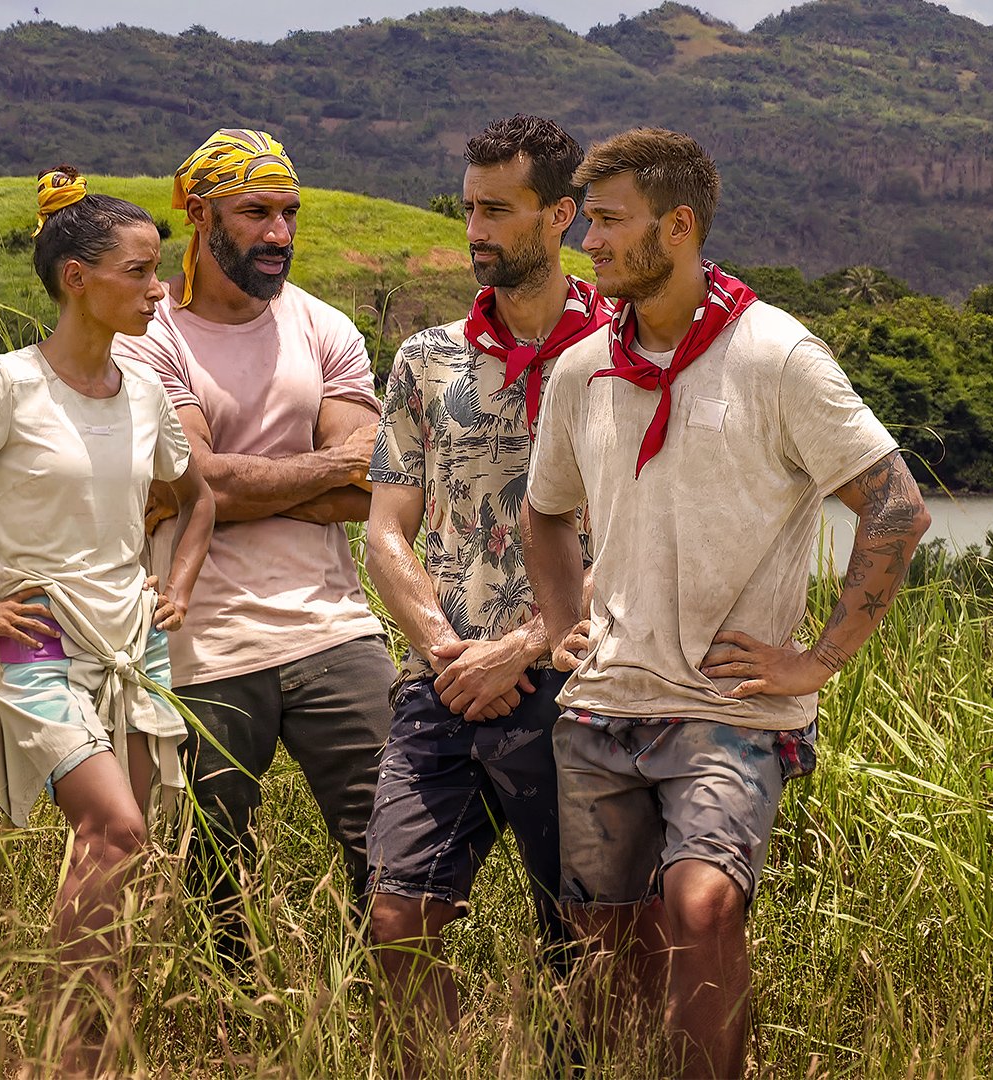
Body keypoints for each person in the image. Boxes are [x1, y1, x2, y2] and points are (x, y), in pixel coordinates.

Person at [521, 128, 931, 1078]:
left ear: (679, 225)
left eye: (611, 222)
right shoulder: (585, 368)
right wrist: (556, 626)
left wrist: (816, 662)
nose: (589, 241)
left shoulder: (778, 356)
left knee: (702, 909)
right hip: (603, 706)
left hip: (728, 708)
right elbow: (546, 516)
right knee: (604, 951)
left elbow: (898, 510)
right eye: (587, 220)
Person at [0, 166, 215, 1075]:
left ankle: (96, 1049)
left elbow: (196, 495)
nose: (159, 289)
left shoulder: (143, 389)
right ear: (77, 277)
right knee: (119, 830)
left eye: (158, 269)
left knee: (121, 853)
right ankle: (67, 1058)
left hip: (132, 639)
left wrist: (175, 580)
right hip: (39, 636)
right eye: (140, 271)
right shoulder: (8, 385)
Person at [362, 114, 607, 1075]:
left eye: (498, 211)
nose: (477, 230)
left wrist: (531, 645)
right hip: (447, 683)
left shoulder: (621, 356)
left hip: (582, 685)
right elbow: (386, 528)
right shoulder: (427, 358)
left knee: (583, 937)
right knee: (397, 915)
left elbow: (645, 536)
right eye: (469, 208)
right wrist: (446, 650)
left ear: (560, 217)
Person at [113, 130, 395, 953]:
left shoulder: (325, 327)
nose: (279, 233)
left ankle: (370, 1018)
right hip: (197, 635)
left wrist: (229, 488)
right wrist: (313, 469)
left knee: (391, 846)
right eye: (256, 213)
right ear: (200, 216)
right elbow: (204, 483)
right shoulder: (149, 333)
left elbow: (371, 483)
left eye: (289, 213)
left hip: (333, 624)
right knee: (209, 867)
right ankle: (231, 1031)